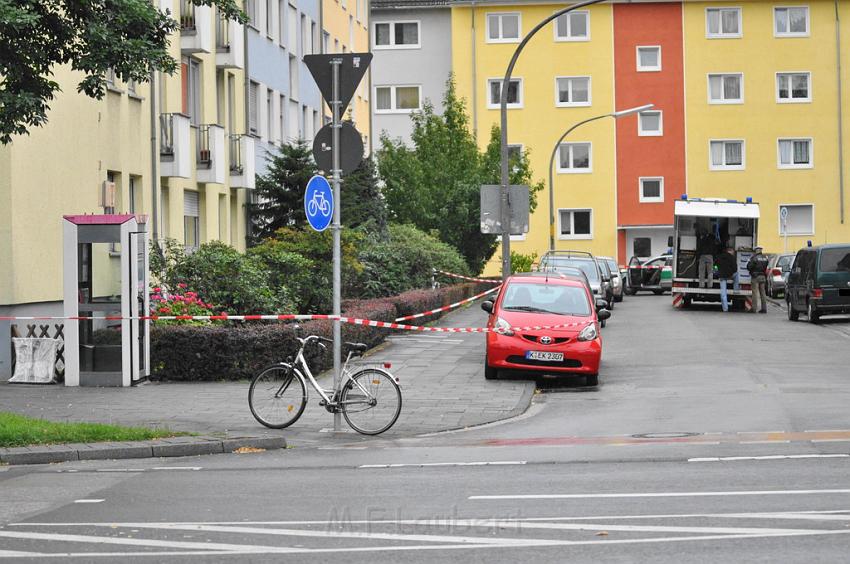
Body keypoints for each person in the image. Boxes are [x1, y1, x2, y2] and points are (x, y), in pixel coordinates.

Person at [716, 247, 739, 312]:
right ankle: (735, 290)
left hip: (722, 276)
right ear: (730, 251)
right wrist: (731, 272)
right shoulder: (732, 258)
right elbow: (735, 269)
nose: (734, 253)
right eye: (733, 252)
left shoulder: (719, 257)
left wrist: (717, 273)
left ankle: (725, 309)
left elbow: (715, 266)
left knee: (723, 293)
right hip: (730, 275)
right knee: (737, 274)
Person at [747, 246, 769, 314]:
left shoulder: (754, 258)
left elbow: (749, 267)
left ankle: (754, 308)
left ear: (756, 251)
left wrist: (748, 263)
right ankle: (764, 308)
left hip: (755, 277)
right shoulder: (765, 257)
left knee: (755, 293)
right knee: (763, 293)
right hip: (763, 276)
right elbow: (766, 267)